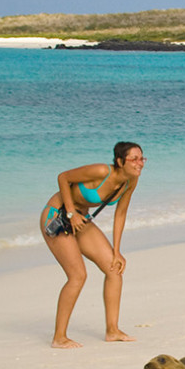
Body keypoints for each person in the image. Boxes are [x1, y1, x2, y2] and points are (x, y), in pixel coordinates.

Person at [41, 141, 145, 348]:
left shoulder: (130, 182)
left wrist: (117, 251)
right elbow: (63, 177)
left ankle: (112, 331)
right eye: (134, 159)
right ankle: (59, 337)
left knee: (114, 269)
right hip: (58, 216)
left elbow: (121, 214)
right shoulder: (100, 171)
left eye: (142, 158)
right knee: (78, 276)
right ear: (119, 161)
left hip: (81, 220)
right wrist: (70, 213)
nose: (139, 163)